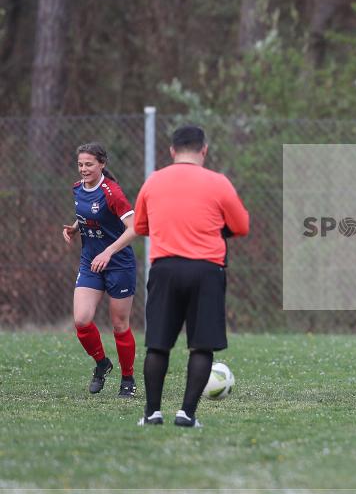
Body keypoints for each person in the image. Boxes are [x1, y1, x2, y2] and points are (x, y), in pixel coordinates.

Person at [132, 125, 250, 427]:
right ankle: (186, 414)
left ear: (172, 151)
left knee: (157, 344)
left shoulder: (154, 180)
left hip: (165, 269)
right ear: (204, 150)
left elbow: (142, 226)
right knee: (202, 345)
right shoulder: (218, 182)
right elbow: (241, 226)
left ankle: (152, 413)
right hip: (206, 270)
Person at [62, 143, 139, 397]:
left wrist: (109, 251)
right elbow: (88, 213)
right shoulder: (77, 189)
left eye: (89, 164)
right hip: (91, 262)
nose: (84, 169)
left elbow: (134, 228)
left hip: (119, 264)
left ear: (102, 164)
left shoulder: (112, 192)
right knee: (82, 321)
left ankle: (128, 379)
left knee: (119, 324)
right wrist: (75, 227)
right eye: (81, 164)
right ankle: (102, 364)